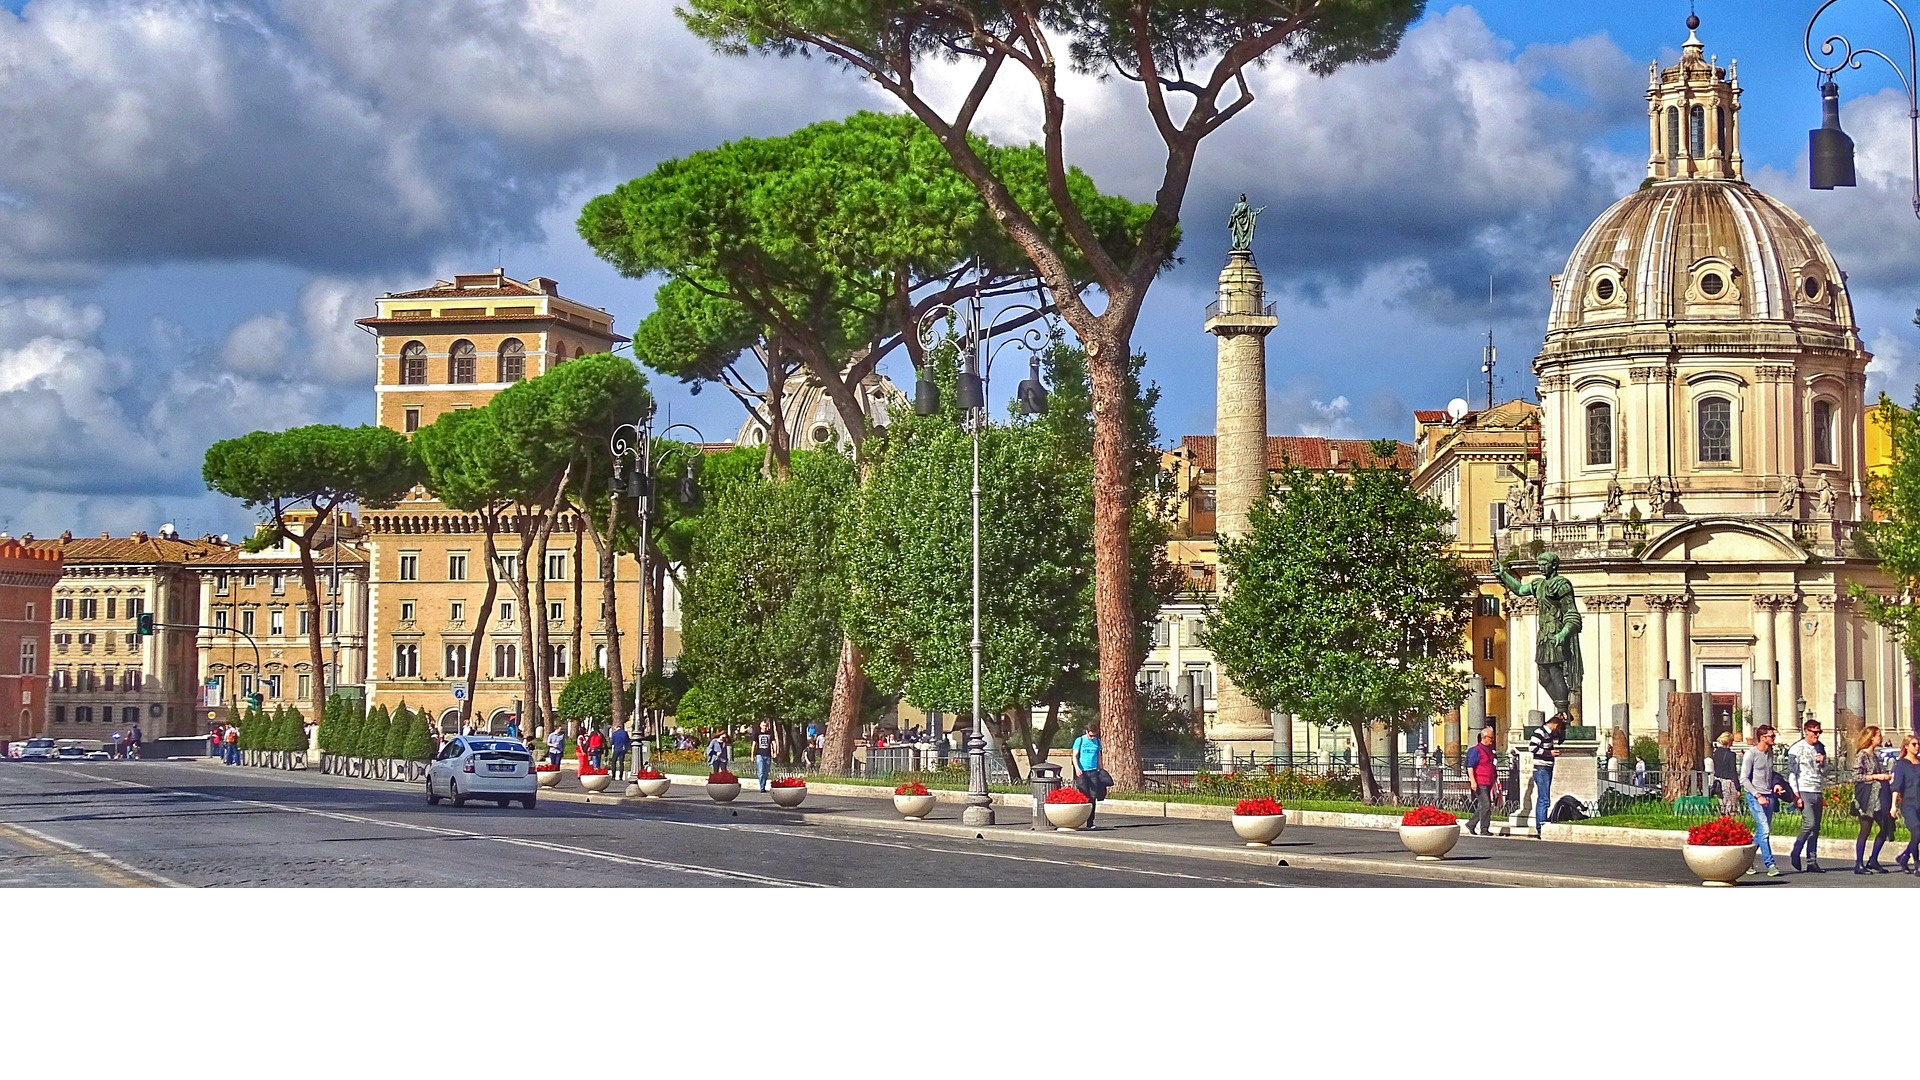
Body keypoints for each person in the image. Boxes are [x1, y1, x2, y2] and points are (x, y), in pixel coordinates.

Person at [1740, 724, 1787, 877]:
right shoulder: (1751, 754)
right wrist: (1757, 795)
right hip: (1755, 796)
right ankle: (1770, 864)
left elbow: (1770, 773)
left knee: (1762, 831)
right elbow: (1744, 779)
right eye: (1771, 736)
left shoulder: (1770, 753)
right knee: (1765, 830)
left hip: (1769, 795)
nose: (1774, 739)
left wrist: (1776, 785)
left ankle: (1747, 861)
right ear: (1762, 738)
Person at [1851, 726, 1895, 874]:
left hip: (1878, 797)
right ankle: (1859, 863)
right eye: (1878, 736)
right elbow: (1856, 777)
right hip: (1866, 798)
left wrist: (1886, 777)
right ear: (1871, 737)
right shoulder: (1861, 755)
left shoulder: (1875, 756)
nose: (1881, 738)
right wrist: (1876, 777)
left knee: (1886, 827)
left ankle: (1873, 859)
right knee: (1865, 830)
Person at [1787, 720, 1829, 872]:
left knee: (1815, 828)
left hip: (1817, 788)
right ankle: (1796, 850)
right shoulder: (1796, 749)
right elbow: (1791, 772)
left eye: (1819, 732)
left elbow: (1825, 771)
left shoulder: (1820, 747)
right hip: (1803, 788)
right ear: (1806, 731)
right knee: (1809, 823)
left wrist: (1823, 762)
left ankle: (1812, 861)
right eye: (1814, 732)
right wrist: (1796, 794)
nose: (1817, 735)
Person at [1526, 714, 1566, 838]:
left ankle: (1542, 825)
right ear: (1555, 724)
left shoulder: (1549, 734)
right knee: (1544, 799)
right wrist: (1549, 753)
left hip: (1547, 767)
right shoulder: (1540, 732)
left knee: (1544, 798)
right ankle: (1541, 826)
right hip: (1541, 768)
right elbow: (1532, 748)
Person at [1069, 723, 1106, 829]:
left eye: (1094, 735)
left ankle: (1090, 822)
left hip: (1093, 771)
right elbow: (1074, 756)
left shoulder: (1097, 742)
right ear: (1086, 732)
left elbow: (1098, 756)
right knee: (1084, 795)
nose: (1092, 737)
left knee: (1093, 796)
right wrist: (1077, 768)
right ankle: (1080, 819)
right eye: (1091, 735)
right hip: (1082, 772)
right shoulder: (1080, 741)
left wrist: (1101, 769)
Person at [1893, 734, 1920, 874]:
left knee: (1918, 835)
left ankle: (1903, 857)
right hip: (1908, 803)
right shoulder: (1901, 764)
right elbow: (1896, 786)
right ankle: (1917, 863)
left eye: (1918, 744)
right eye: (1914, 744)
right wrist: (1893, 806)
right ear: (1906, 746)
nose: (1917, 747)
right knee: (1916, 830)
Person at [1465, 727, 1499, 835]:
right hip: (1480, 781)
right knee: (1486, 805)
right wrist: (1473, 781)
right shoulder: (1476, 750)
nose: (1492, 740)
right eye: (1491, 738)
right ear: (1484, 737)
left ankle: (1471, 824)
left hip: (1488, 781)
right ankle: (1484, 829)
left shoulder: (1489, 750)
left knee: (1484, 805)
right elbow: (1470, 766)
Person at [1709, 732, 1740, 816]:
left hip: (1718, 781)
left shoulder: (1716, 753)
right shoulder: (1731, 755)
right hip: (1728, 782)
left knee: (1722, 804)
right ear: (1729, 741)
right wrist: (1738, 787)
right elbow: (1733, 771)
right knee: (1731, 806)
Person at [752, 720, 775, 791]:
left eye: (766, 726)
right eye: (763, 726)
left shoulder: (770, 733)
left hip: (768, 755)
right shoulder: (757, 734)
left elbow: (773, 743)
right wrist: (752, 756)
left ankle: (764, 784)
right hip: (759, 755)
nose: (764, 727)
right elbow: (754, 745)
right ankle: (762, 787)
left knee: (766, 772)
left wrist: (775, 752)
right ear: (760, 726)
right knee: (761, 771)